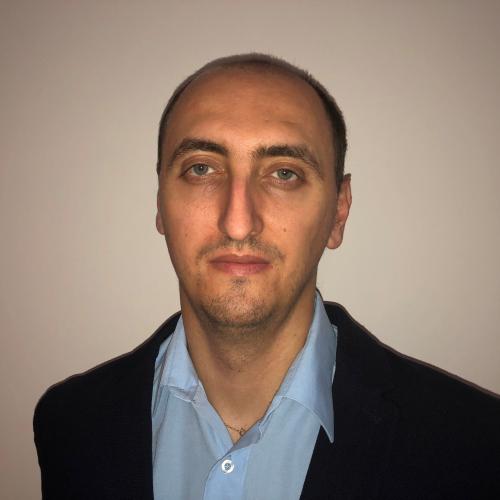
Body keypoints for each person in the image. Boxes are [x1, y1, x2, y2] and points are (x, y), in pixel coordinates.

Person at [34, 54, 500, 500]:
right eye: (201, 168)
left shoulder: (474, 445)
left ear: (338, 212)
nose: (238, 223)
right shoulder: (70, 425)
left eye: (284, 174)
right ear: (160, 203)